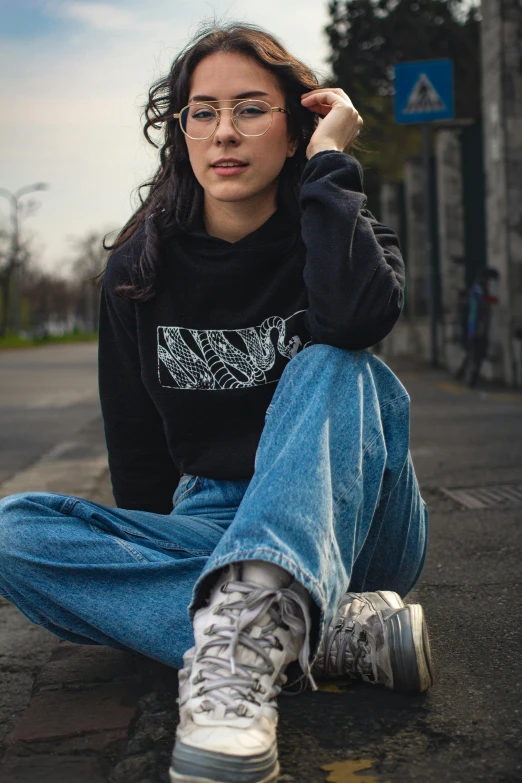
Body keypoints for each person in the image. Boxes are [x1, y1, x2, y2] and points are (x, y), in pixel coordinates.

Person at [0, 22, 433, 783]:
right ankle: (312, 633)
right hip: (208, 516)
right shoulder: (139, 265)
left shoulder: (343, 232)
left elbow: (357, 322)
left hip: (356, 522)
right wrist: (141, 544)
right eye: (202, 111)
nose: (223, 132)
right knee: (12, 530)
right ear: (181, 130)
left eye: (251, 109)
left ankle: (248, 643)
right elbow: (135, 447)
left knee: (332, 359)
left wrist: (330, 165)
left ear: (297, 126)